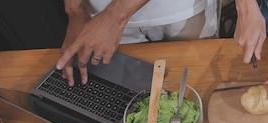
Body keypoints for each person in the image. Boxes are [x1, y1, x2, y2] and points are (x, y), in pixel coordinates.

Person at [56, 0, 218, 86]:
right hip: (98, 20)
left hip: (179, 11)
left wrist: (113, 17)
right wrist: (76, 11)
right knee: (127, 95)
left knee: (196, 84)